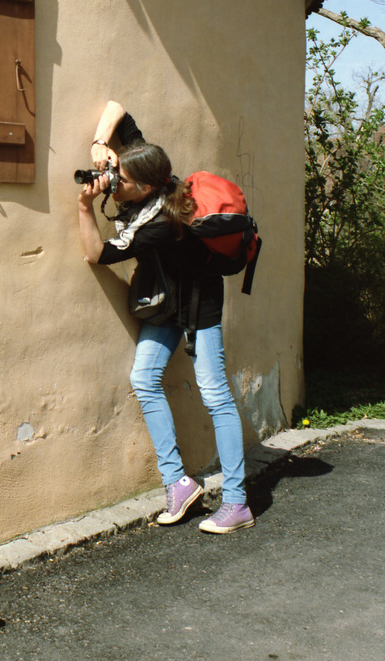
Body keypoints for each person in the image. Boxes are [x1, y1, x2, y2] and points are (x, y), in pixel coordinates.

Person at [77, 100, 254, 534]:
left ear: (145, 187)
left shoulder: (160, 224)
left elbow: (96, 253)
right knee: (144, 379)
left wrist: (85, 208)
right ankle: (178, 483)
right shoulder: (149, 166)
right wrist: (103, 143)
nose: (114, 185)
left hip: (198, 307)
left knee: (216, 396)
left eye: (122, 182)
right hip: (162, 301)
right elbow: (116, 107)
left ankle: (236, 502)